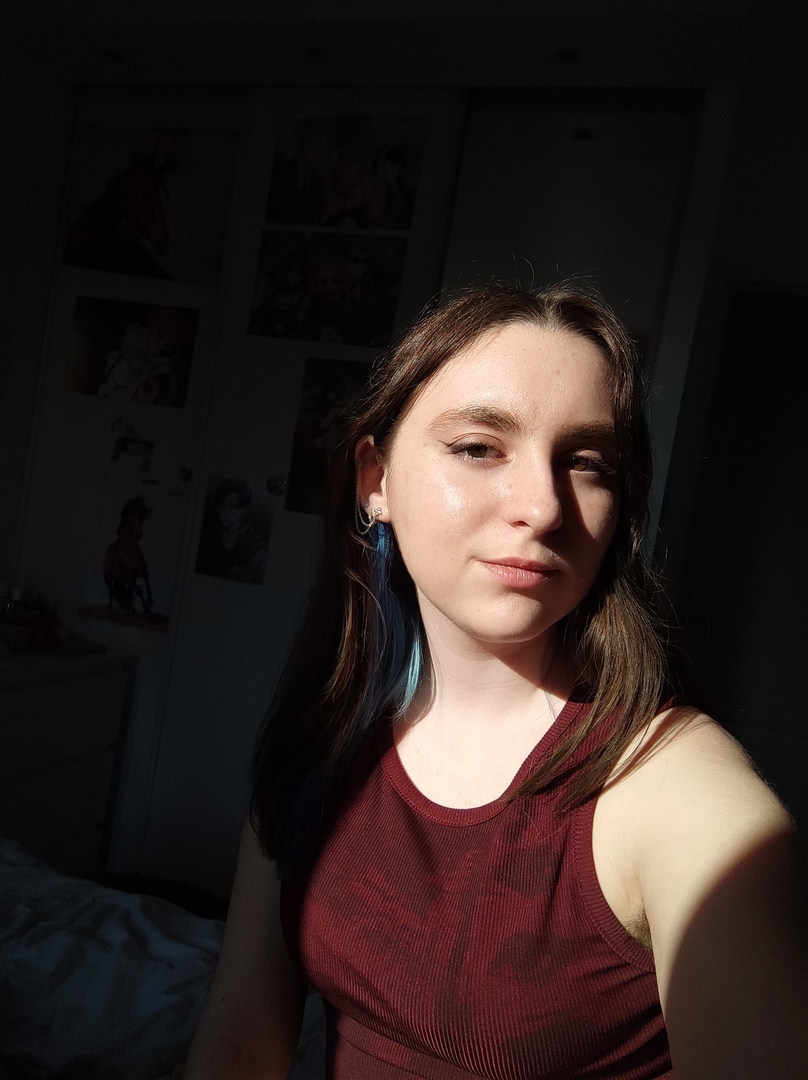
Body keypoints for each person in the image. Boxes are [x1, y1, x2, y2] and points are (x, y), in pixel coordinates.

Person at [186, 284, 808, 1079]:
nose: (543, 507)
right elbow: (242, 1034)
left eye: (587, 462)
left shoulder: (680, 793)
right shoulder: (323, 736)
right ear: (375, 480)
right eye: (480, 447)